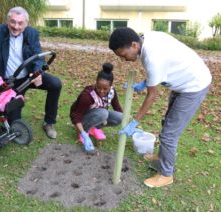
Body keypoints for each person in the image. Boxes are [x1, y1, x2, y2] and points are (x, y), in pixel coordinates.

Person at [109, 27, 212, 188]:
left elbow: (152, 95)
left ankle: (166, 174)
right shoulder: (145, 39)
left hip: (194, 85)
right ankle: (162, 157)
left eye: (123, 55)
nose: (124, 59)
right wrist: (145, 82)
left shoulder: (153, 58)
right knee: (167, 124)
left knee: (169, 134)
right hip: (181, 81)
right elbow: (163, 65)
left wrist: (134, 122)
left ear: (134, 45)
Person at [0, 6, 62, 139]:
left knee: (55, 84)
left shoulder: (32, 34)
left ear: (26, 23)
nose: (16, 26)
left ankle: (49, 123)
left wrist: (36, 72)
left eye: (20, 23)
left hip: (28, 77)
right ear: (7, 21)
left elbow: (38, 56)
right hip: (8, 82)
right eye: (13, 22)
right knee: (15, 123)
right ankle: (8, 112)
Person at [70, 63, 123, 153]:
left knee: (120, 117)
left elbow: (117, 108)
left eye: (105, 88)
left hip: (98, 115)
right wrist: (83, 134)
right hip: (83, 118)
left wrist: (129, 125)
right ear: (95, 83)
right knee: (103, 114)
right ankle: (85, 131)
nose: (102, 91)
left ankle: (94, 127)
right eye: (98, 87)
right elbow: (75, 115)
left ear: (110, 86)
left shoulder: (112, 92)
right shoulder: (87, 95)